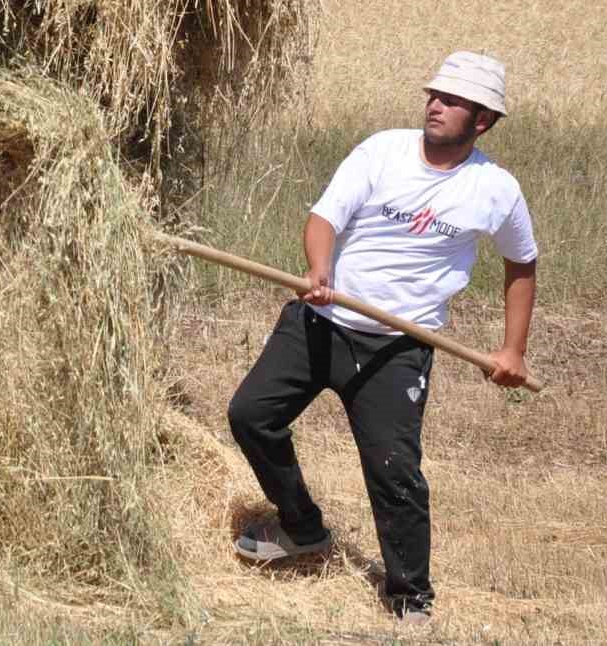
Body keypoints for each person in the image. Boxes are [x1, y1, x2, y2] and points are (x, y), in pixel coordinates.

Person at [226, 51, 538, 627]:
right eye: (434, 95)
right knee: (250, 414)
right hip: (320, 324)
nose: (436, 105)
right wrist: (318, 270)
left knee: (393, 467)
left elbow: (522, 264)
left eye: (453, 101)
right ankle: (302, 529)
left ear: (483, 120)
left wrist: (512, 349)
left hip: (396, 350)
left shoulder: (495, 189)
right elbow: (325, 218)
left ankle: (409, 596)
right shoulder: (382, 150)